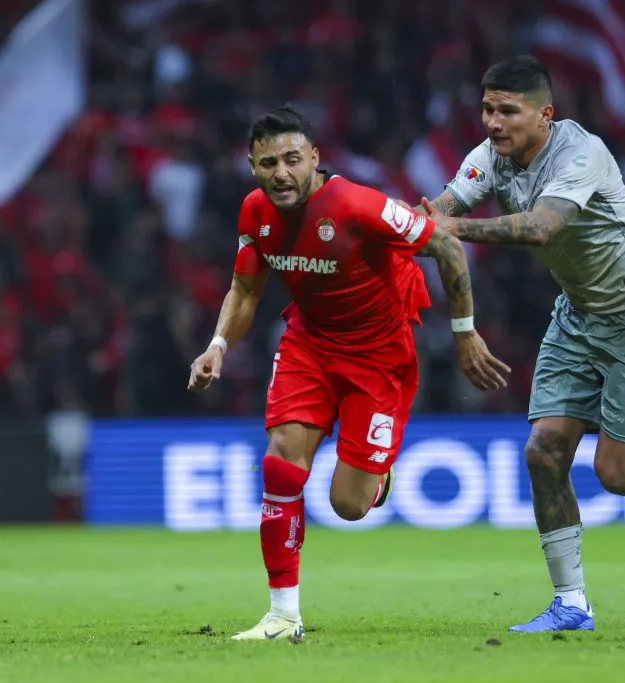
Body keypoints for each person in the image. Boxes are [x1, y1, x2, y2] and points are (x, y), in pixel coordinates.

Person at [414, 56, 625, 632]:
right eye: (487, 109)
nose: (493, 122)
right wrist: (391, 223)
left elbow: (542, 226)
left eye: (508, 111)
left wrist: (453, 230)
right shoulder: (489, 156)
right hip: (578, 313)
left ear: (544, 115)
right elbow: (438, 212)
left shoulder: (581, 153)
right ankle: (571, 604)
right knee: (543, 452)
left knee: (620, 474)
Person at [188, 105, 510, 642]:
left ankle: (376, 478)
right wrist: (217, 345)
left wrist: (464, 332)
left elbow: (446, 245)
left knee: (348, 504)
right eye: (268, 163)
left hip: (377, 357)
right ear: (252, 166)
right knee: (281, 465)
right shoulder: (254, 212)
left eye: (292, 159)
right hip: (308, 345)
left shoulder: (358, 205)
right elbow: (245, 290)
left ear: (315, 157)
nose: (281, 173)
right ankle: (283, 616)